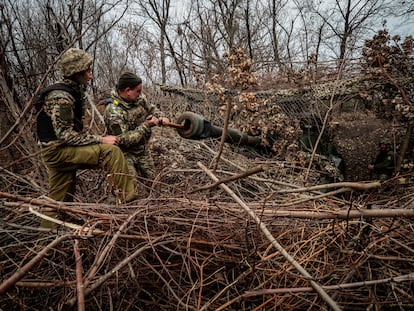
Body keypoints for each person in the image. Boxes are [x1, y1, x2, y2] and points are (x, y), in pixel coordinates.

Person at [36, 48, 138, 228]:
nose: (90, 75)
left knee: (58, 200)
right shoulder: (61, 97)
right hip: (57, 151)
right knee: (111, 152)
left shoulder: (71, 91)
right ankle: (129, 207)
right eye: (87, 71)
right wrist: (100, 139)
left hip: (54, 151)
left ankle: (46, 244)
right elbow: (65, 135)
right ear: (76, 72)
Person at [104, 72, 170, 183]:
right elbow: (123, 140)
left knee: (154, 183)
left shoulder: (138, 98)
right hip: (124, 154)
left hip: (142, 150)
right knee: (130, 187)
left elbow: (151, 108)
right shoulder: (113, 111)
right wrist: (146, 126)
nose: (140, 94)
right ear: (128, 91)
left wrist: (162, 117)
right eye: (138, 91)